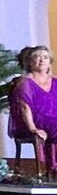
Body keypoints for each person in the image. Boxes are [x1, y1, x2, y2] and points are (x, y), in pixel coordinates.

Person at [11, 45, 57, 176]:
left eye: (45, 57)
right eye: (37, 57)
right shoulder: (25, 82)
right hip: (33, 122)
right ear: (30, 62)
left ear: (49, 62)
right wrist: (33, 128)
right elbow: (24, 107)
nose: (41, 60)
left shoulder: (55, 82)